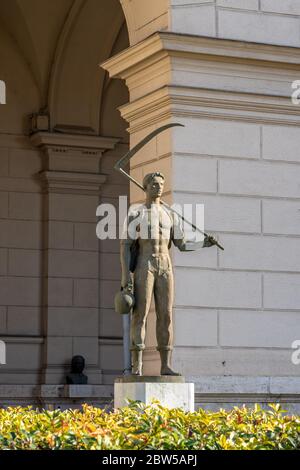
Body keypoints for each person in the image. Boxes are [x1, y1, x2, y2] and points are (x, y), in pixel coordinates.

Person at [120, 172, 218, 376]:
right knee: (141, 315)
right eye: (154, 184)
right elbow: (125, 246)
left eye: (161, 184)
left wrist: (204, 243)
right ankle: (137, 365)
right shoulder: (136, 213)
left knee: (166, 316)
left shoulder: (170, 214)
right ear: (145, 187)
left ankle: (165, 364)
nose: (159, 187)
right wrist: (125, 275)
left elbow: (181, 245)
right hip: (144, 263)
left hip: (165, 264)